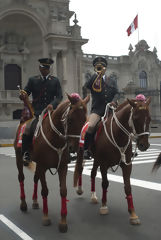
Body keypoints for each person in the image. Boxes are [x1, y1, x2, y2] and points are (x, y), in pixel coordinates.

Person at [19, 58, 63, 165]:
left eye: (47, 68)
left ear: (49, 69)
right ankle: (26, 153)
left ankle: (66, 152)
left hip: (51, 112)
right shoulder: (32, 80)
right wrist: (22, 95)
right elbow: (25, 92)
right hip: (37, 112)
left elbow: (59, 97)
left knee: (63, 126)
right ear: (39, 68)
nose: (45, 70)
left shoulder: (55, 80)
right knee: (27, 129)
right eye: (43, 68)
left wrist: (52, 105)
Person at [83, 56, 119, 159]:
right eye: (98, 67)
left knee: (123, 124)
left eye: (102, 66)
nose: (100, 68)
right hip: (97, 110)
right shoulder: (94, 79)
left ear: (105, 68)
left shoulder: (111, 80)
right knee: (90, 126)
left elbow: (117, 93)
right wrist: (96, 76)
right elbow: (86, 86)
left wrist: (114, 101)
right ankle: (86, 149)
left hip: (110, 110)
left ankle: (126, 149)